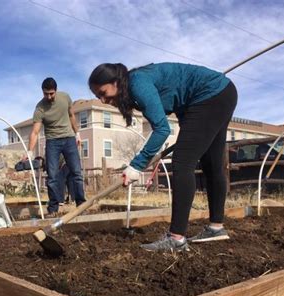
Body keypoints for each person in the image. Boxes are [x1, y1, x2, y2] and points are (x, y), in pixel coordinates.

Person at [88, 62, 237, 252]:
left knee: (183, 163)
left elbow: (162, 129)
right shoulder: (134, 86)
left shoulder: (137, 84)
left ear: (116, 82)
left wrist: (136, 165)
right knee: (211, 164)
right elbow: (178, 100)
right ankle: (216, 228)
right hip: (221, 93)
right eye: (97, 96)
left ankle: (176, 238)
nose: (102, 100)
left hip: (210, 95)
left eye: (103, 93)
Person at [25, 77, 86, 215]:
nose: (49, 96)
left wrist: (77, 133)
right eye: (46, 93)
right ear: (42, 92)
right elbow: (35, 132)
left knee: (76, 172)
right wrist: (29, 151)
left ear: (56, 91)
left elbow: (71, 115)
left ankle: (81, 205)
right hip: (52, 142)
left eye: (51, 93)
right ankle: (53, 208)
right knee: (52, 176)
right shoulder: (40, 108)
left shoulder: (65, 98)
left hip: (69, 138)